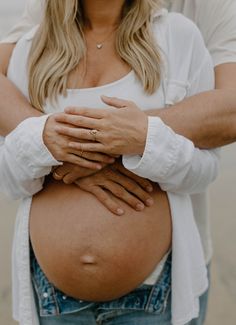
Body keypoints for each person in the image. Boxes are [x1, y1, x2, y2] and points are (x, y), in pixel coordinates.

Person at [0, 0, 220, 324]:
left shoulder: (177, 36)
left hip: (152, 298)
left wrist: (144, 140)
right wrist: (48, 147)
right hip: (53, 303)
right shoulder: (32, 48)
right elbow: (8, 176)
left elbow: (205, 171)